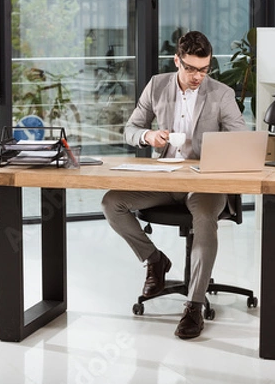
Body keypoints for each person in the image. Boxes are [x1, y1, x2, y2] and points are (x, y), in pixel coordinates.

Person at [101, 31, 247, 339]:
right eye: (191, 68)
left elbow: (240, 141)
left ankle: (194, 306)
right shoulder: (157, 85)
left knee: (205, 220)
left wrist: (215, 152)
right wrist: (147, 136)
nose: (198, 76)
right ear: (177, 60)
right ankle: (155, 260)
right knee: (111, 202)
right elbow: (130, 128)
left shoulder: (221, 94)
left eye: (204, 69)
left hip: (204, 183)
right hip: (165, 178)